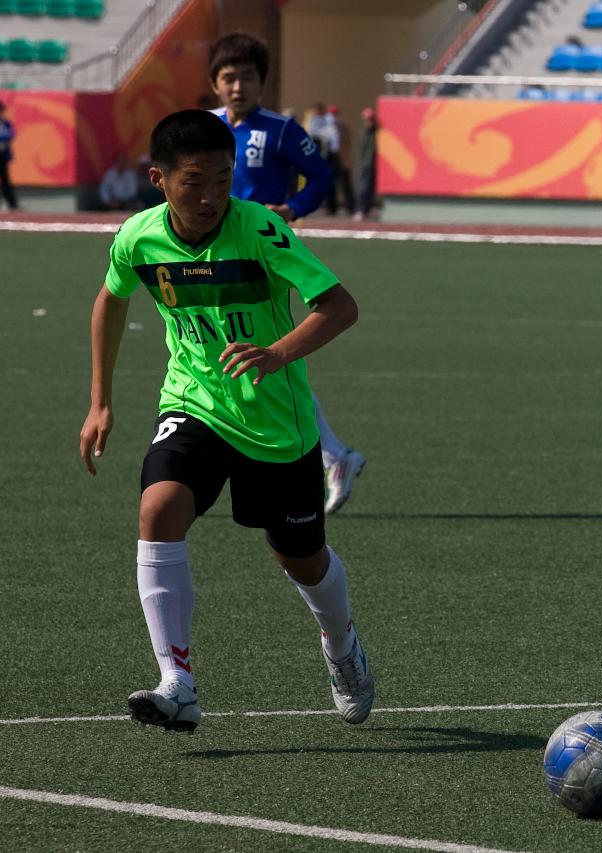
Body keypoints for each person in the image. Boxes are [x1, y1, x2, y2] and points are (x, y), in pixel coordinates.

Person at [78, 109, 375, 733]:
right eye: (194, 181)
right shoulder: (138, 238)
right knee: (158, 509)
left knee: (301, 557)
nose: (212, 195)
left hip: (274, 421)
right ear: (159, 179)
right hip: (194, 404)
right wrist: (100, 400)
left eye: (222, 177)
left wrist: (277, 354)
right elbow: (110, 298)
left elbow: (339, 306)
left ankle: (341, 643)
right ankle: (177, 681)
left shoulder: (260, 229)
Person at [208, 31, 366, 512]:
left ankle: (329, 455)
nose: (239, 87)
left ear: (262, 82)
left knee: (261, 352)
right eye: (229, 78)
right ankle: (328, 455)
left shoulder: (279, 130)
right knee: (232, 353)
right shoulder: (207, 128)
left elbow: (320, 177)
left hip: (263, 254)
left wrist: (292, 209)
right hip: (214, 255)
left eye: (248, 77)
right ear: (215, 83)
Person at [352, 107, 379, 222]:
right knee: (362, 189)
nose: (369, 122)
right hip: (364, 165)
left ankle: (366, 209)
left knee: (369, 189)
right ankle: (361, 210)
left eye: (371, 120)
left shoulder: (377, 133)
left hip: (373, 165)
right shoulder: (363, 132)